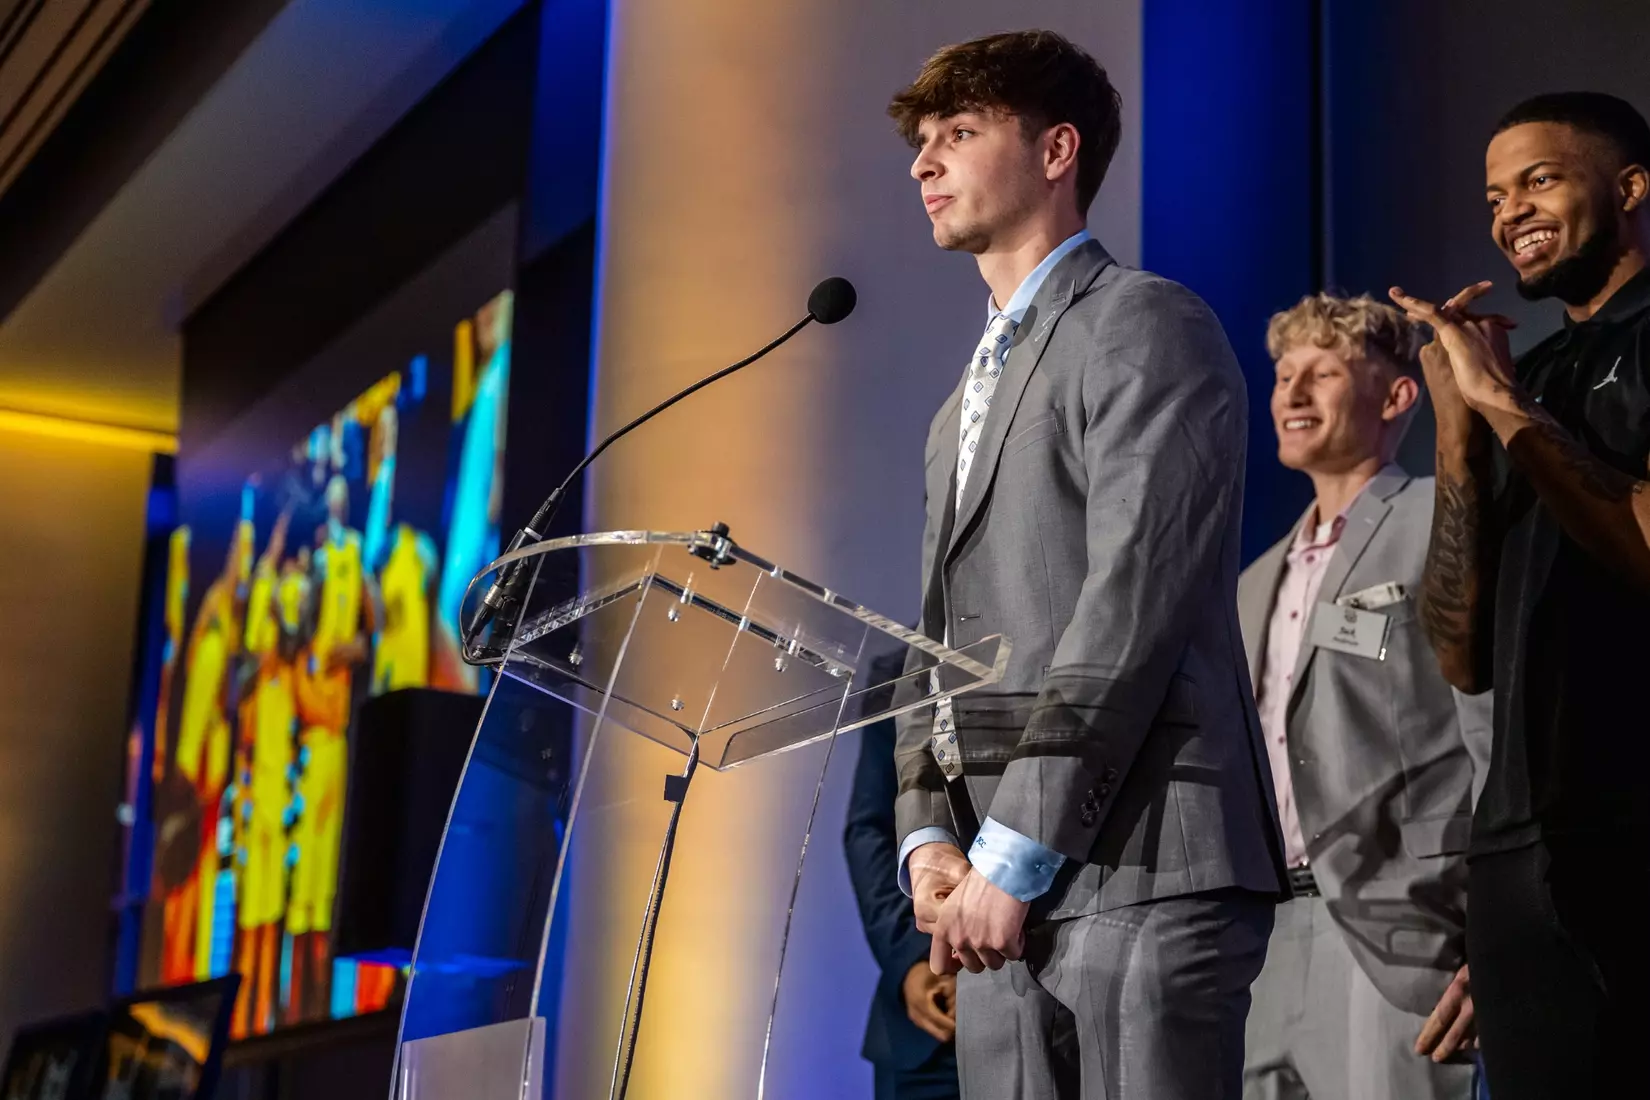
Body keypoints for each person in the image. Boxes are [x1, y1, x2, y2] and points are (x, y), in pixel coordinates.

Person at [888, 30, 1287, 1098]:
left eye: (958, 133)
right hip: (989, 893)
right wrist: (929, 837)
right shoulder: (948, 417)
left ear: (1057, 149)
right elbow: (933, 649)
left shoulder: (1143, 323)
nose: (924, 163)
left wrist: (1011, 850)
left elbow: (1131, 610)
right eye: (922, 142)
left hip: (1148, 861)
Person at [1389, 92, 1650, 1099]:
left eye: (1538, 179)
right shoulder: (1525, 370)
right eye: (1496, 195)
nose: (1509, 214)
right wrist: (1458, 431)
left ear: (1629, 189)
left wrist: (1500, 402)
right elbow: (1460, 650)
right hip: (1520, 849)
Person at [1237, 293, 1491, 1099]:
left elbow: (1492, 731)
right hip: (1261, 937)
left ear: (1395, 396)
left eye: (1323, 372)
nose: (1293, 394)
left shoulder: (1434, 523)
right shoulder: (1251, 583)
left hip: (1402, 933)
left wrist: (1497, 931)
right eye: (1283, 376)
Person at [845, 651, 961, 1100]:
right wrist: (916, 959)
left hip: (1047, 998)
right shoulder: (898, 669)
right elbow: (870, 828)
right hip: (930, 1031)